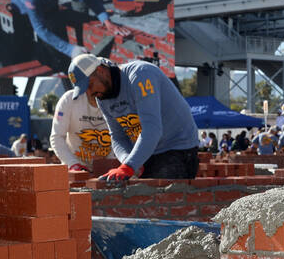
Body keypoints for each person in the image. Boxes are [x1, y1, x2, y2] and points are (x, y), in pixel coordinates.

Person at [66, 54, 200, 180]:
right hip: (149, 152)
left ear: (101, 70)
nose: (90, 94)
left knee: (157, 198)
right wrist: (127, 160)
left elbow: (152, 128)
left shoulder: (140, 74)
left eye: (89, 85)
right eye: (85, 90)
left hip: (177, 149)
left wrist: (129, 166)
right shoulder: (102, 97)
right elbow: (117, 136)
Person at [10, 0, 125, 61]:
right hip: (22, 12)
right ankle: (27, 59)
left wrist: (106, 20)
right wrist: (71, 50)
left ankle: (52, 59)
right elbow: (40, 28)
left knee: (53, 42)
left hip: (48, 8)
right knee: (23, 42)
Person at [50, 87, 111, 172]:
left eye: (92, 84)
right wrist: (72, 164)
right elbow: (57, 137)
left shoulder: (116, 100)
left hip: (108, 168)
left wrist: (111, 160)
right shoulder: (68, 99)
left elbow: (122, 137)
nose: (89, 89)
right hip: (76, 167)